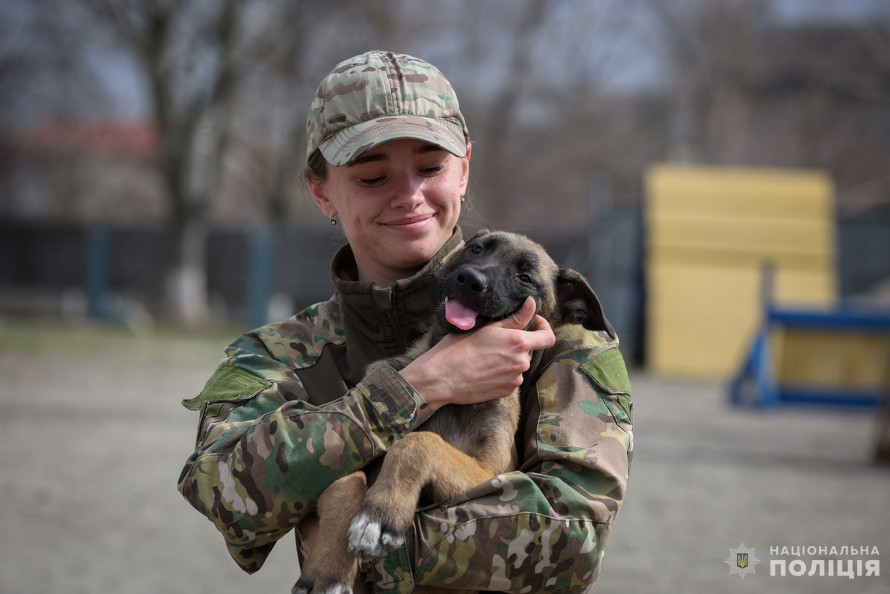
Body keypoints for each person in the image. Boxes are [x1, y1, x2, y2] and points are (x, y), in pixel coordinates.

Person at [177, 50, 633, 592]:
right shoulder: (282, 355)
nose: (409, 196)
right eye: (372, 176)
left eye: (432, 167)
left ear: (464, 167)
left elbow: (573, 544)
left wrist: (358, 543)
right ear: (321, 191)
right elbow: (225, 499)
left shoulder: (559, 339)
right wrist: (416, 387)